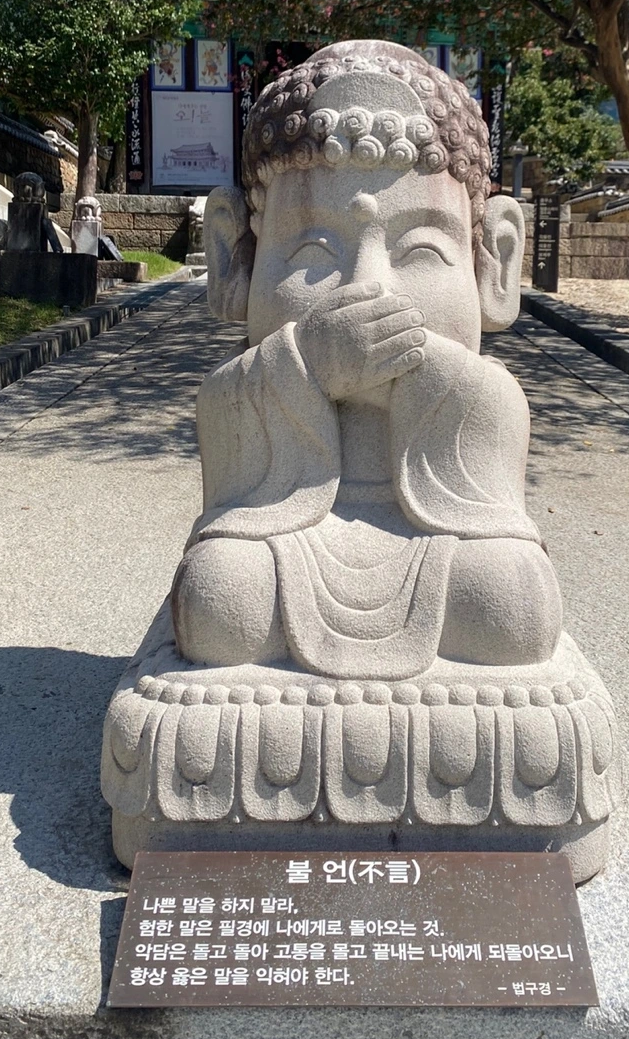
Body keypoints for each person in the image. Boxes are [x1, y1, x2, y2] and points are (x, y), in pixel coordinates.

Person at [171, 40, 562, 681]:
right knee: (223, 597)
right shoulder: (245, 383)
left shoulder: (481, 388)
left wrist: (428, 369)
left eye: (421, 251)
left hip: (443, 532)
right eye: (314, 253)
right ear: (233, 257)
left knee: (510, 601)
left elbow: (494, 427)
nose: (369, 287)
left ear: (495, 262)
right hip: (285, 529)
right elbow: (226, 419)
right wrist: (305, 364)